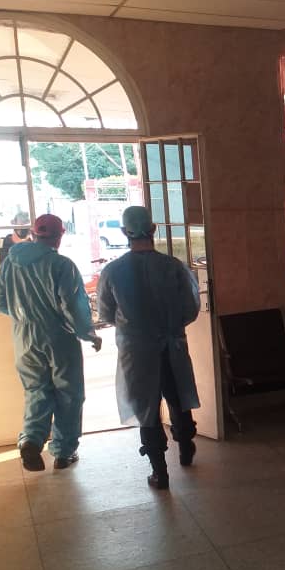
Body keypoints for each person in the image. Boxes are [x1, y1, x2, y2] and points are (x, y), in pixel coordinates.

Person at [97, 205, 200, 490]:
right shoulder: (173, 267)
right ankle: (186, 446)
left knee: (147, 408)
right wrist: (170, 327)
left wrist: (134, 326)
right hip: (171, 347)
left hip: (137, 351)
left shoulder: (113, 271)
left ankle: (159, 472)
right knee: (177, 396)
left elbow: (105, 313)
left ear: (124, 232)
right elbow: (190, 308)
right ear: (153, 229)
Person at [0, 214, 102, 472]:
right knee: (69, 394)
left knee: (36, 390)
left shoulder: (11, 263)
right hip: (59, 336)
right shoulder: (62, 265)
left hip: (24, 338)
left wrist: (24, 318)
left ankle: (31, 439)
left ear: (33, 234)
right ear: (59, 236)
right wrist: (89, 334)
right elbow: (73, 306)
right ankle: (64, 452)